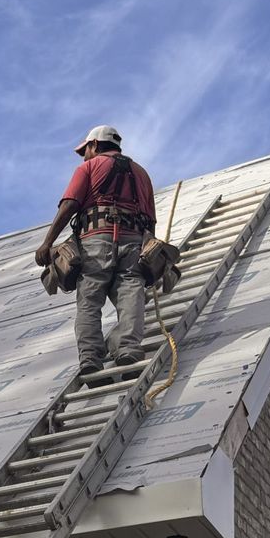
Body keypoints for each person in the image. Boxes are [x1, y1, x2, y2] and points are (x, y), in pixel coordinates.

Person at [34, 124, 157, 375]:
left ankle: (90, 357)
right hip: (134, 240)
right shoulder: (141, 174)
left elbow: (70, 204)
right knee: (131, 293)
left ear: (94, 145)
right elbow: (151, 220)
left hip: (96, 240)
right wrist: (148, 250)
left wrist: (47, 242)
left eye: (85, 150)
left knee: (89, 301)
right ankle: (128, 350)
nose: (85, 155)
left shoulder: (88, 167)